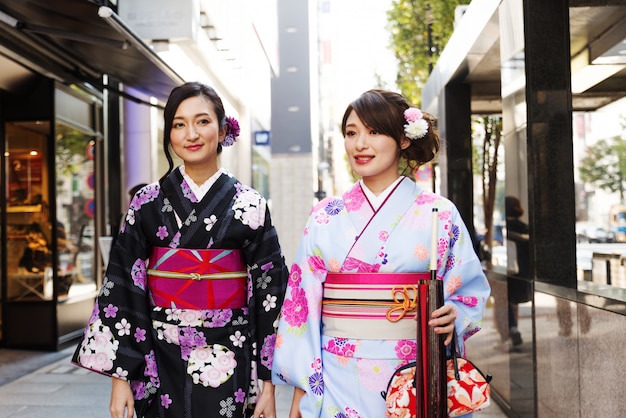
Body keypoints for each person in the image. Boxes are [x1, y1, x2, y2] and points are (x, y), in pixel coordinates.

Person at [72, 81, 289, 418]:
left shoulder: (250, 204)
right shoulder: (146, 203)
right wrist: (120, 378)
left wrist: (269, 383)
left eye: (202, 121)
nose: (191, 133)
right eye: (179, 124)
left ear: (222, 128)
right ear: (169, 134)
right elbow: (122, 286)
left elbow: (270, 291)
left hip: (229, 351)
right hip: (158, 354)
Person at [271, 89, 490, 417]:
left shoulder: (439, 213)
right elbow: (301, 311)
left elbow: (468, 290)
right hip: (336, 374)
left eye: (374, 131)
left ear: (403, 139)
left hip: (415, 369)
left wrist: (455, 313)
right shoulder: (324, 216)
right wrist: (303, 393)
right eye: (351, 133)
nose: (360, 144)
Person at [504, 196, 532, 347]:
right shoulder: (524, 227)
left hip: (507, 269)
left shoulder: (503, 227)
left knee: (506, 301)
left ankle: (511, 330)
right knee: (515, 302)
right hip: (522, 270)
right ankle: (514, 328)